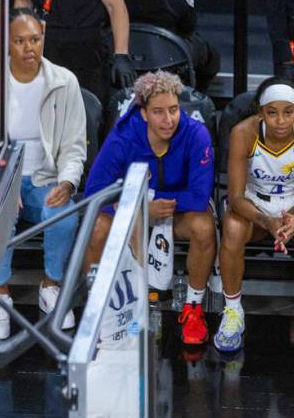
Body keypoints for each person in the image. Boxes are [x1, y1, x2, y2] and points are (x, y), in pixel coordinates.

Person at [84, 71, 216, 346]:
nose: (168, 120)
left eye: (173, 110)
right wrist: (141, 207)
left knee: (203, 226)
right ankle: (96, 310)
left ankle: (193, 308)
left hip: (174, 211)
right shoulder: (122, 137)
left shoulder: (196, 134)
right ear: (143, 113)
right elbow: (94, 192)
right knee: (96, 227)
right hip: (134, 208)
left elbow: (199, 196)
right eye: (158, 112)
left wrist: (154, 203)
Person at [216, 78, 294, 354]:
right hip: (255, 206)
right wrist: (269, 222)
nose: (280, 120)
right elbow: (235, 197)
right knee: (232, 228)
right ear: (260, 112)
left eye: (288, 112)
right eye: (272, 112)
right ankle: (233, 313)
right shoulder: (242, 133)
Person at [0, 8, 87, 340]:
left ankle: (51, 286)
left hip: (47, 178)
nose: (29, 48)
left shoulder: (65, 82)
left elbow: (74, 147)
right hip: (3, 177)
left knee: (64, 213)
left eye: (35, 39)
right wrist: (0, 182)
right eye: (20, 41)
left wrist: (67, 181)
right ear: (5, 43)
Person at [14, 0, 137, 104]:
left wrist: (121, 54)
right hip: (46, 56)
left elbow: (116, 7)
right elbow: (22, 4)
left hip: (86, 57)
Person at [117, 0, 221, 92]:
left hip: (119, 54)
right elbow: (188, 29)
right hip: (168, 60)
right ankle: (194, 96)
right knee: (209, 53)